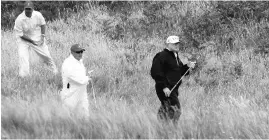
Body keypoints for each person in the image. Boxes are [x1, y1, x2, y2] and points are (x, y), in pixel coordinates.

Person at [150, 35, 196, 124]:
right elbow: (155, 73)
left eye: (178, 43)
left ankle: (160, 127)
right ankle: (171, 128)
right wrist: (164, 87)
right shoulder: (161, 56)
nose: (177, 45)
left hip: (173, 89)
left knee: (166, 108)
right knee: (176, 109)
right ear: (168, 44)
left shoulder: (175, 55)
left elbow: (180, 71)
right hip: (165, 89)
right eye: (174, 44)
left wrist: (188, 66)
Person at [14, 1, 58, 77]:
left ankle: (54, 71)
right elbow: (20, 34)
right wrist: (32, 41)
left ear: (33, 9)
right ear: (24, 9)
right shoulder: (19, 19)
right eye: (26, 9)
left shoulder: (38, 15)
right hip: (23, 39)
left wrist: (42, 37)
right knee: (23, 56)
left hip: (35, 35)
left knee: (45, 54)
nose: (28, 11)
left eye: (29, 9)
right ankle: (24, 76)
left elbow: (43, 24)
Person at [60, 44, 92, 118]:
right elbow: (79, 79)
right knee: (68, 117)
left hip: (81, 92)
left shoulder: (79, 61)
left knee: (85, 115)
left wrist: (86, 78)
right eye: (78, 52)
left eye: (81, 51)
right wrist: (88, 78)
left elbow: (81, 76)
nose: (80, 54)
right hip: (70, 93)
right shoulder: (68, 63)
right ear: (72, 52)